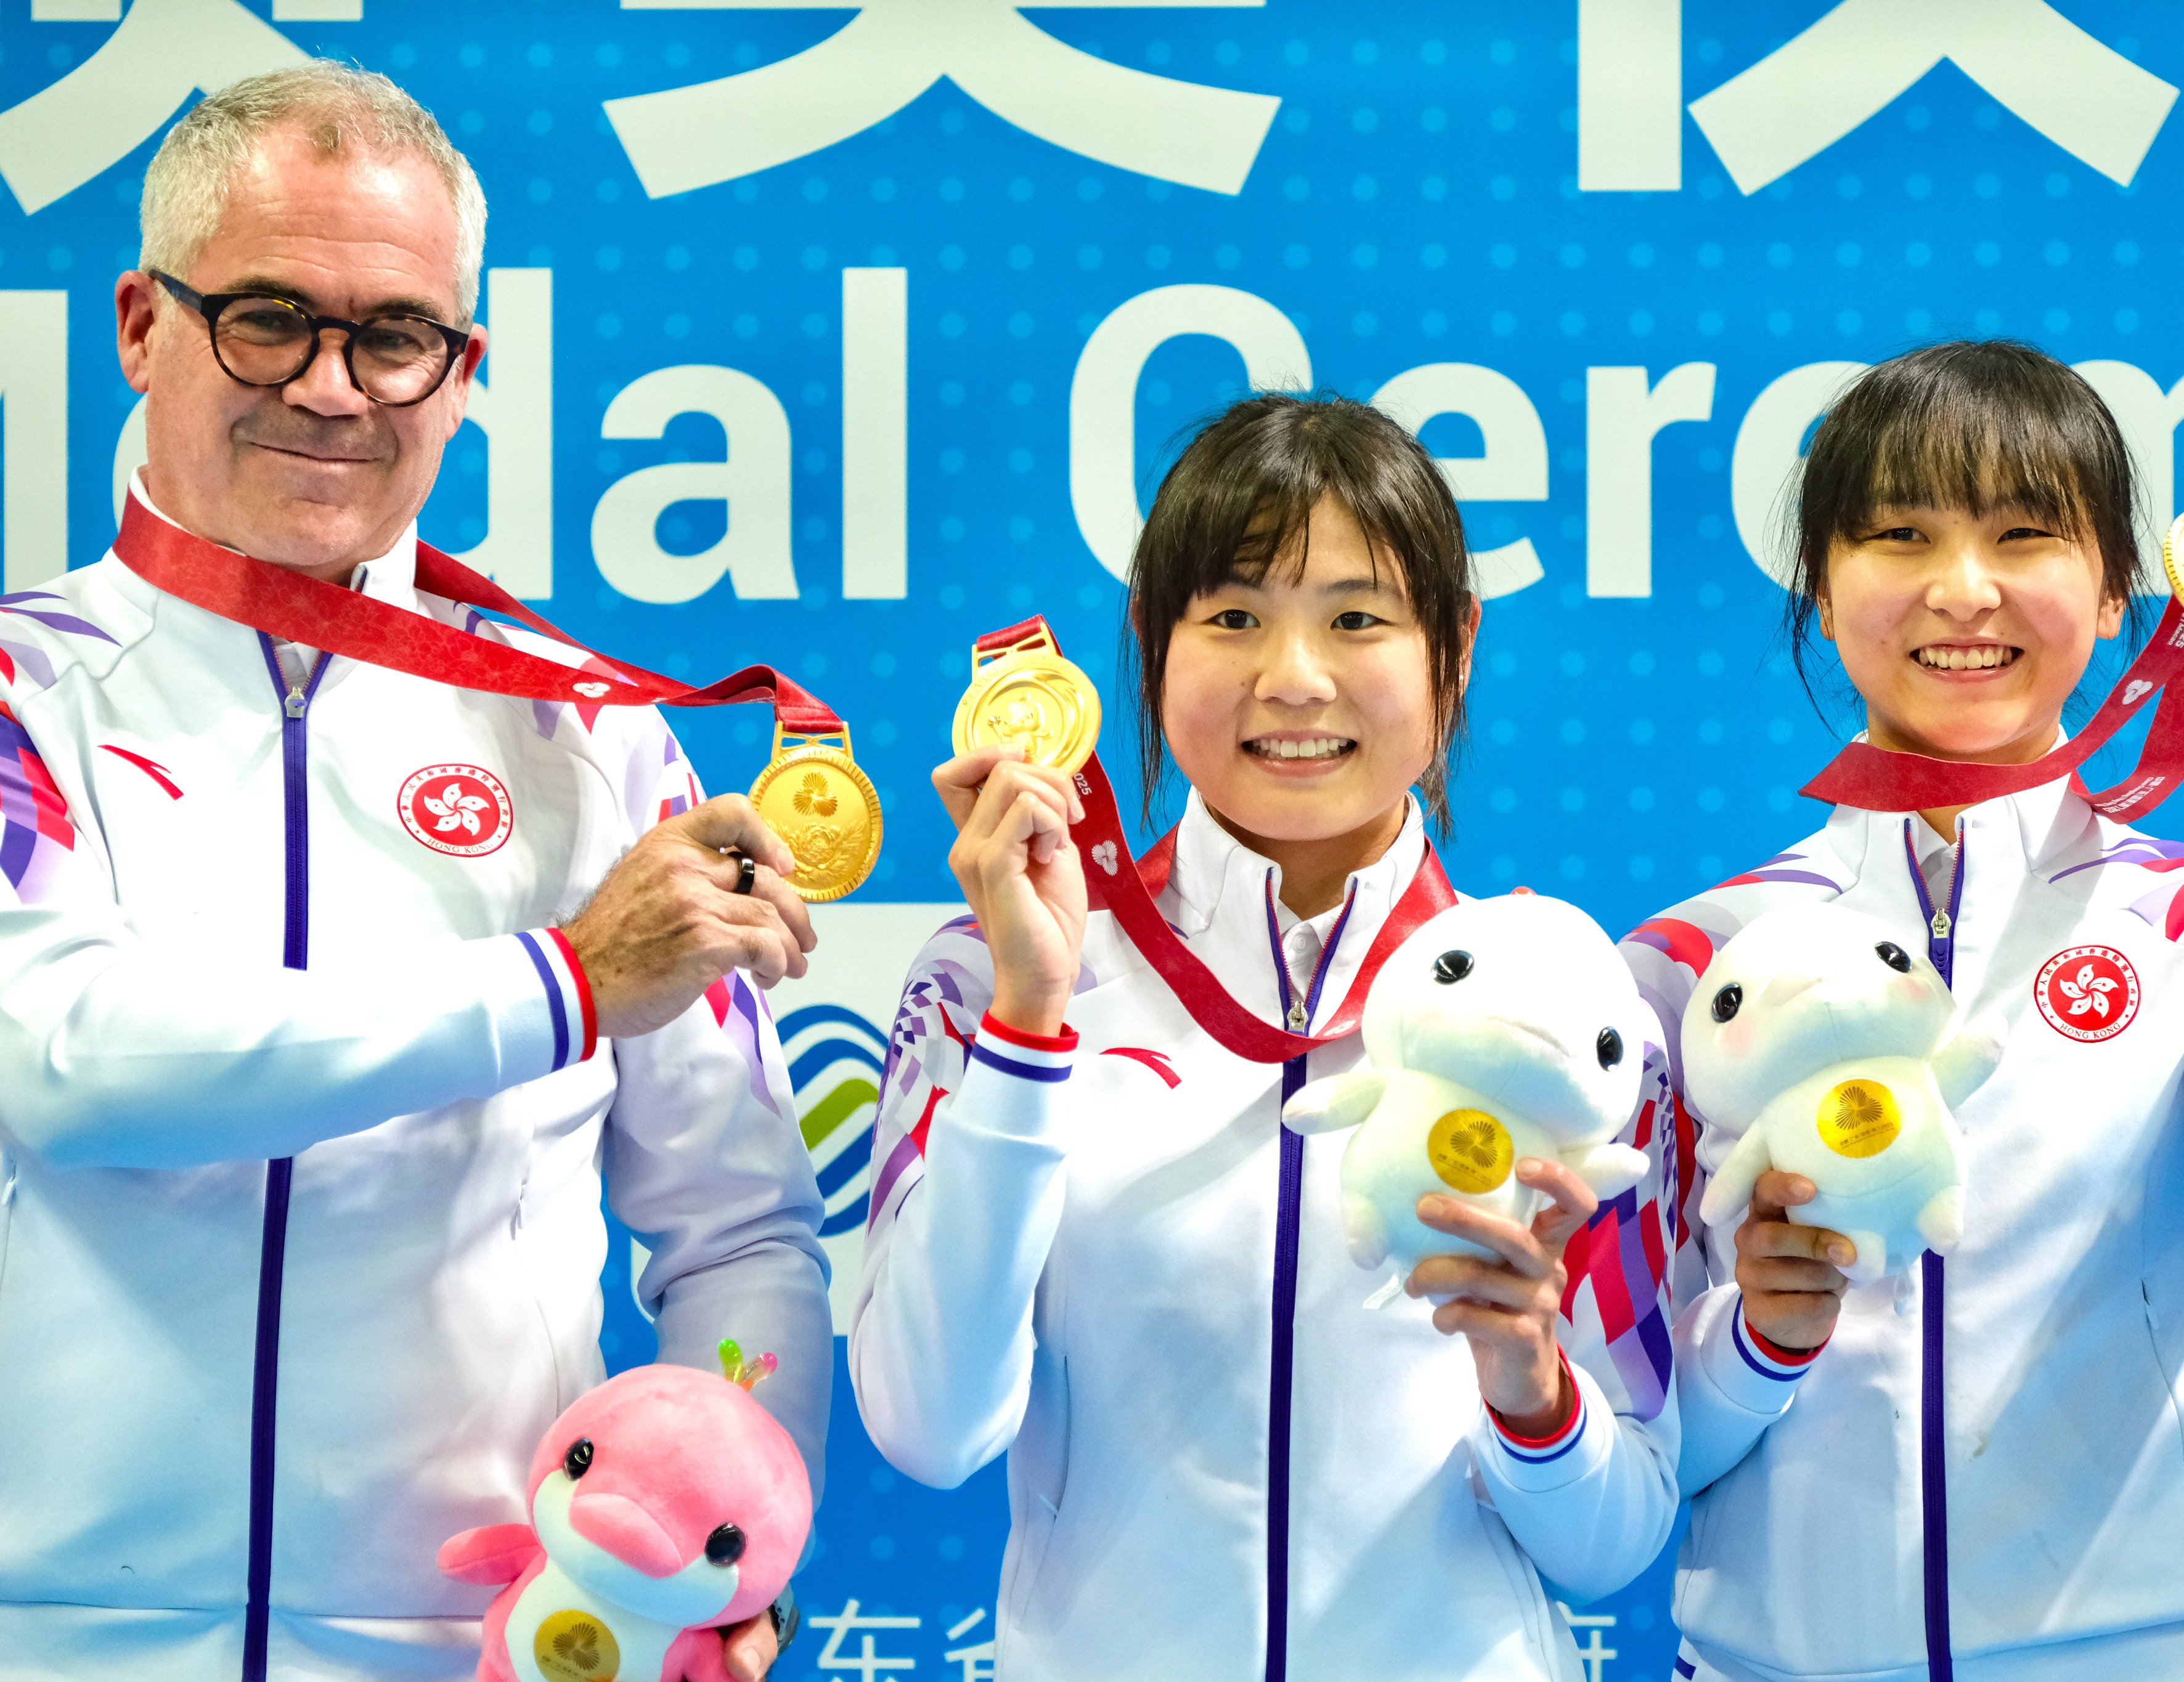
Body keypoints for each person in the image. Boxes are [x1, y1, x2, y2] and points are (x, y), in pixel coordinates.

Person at [0, 64, 828, 1682]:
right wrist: (563, 983)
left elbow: (740, 1227)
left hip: (484, 1645)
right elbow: (66, 1064)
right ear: (138, 325)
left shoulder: (595, 738)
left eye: (392, 337)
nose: (330, 389)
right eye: (264, 317)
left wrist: (727, 1550)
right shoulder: (24, 688)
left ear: (465, 374)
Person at [850, 394, 1681, 1680]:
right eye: (1232, 617)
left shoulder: (1564, 1016)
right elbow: (930, 1427)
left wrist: (1529, 1385)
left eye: (1356, 618)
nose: (1292, 678)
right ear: (1150, 642)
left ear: (1450, 648)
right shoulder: (993, 979)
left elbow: (1615, 1538)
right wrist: (1029, 1026)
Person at [1623, 341, 2184, 1682]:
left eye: (2022, 533)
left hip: (2131, 1654)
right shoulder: (1701, 960)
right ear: (1823, 585)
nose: (1960, 590)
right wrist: (1747, 1341)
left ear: (2111, 599)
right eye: (1896, 535)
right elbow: (1635, 1436)